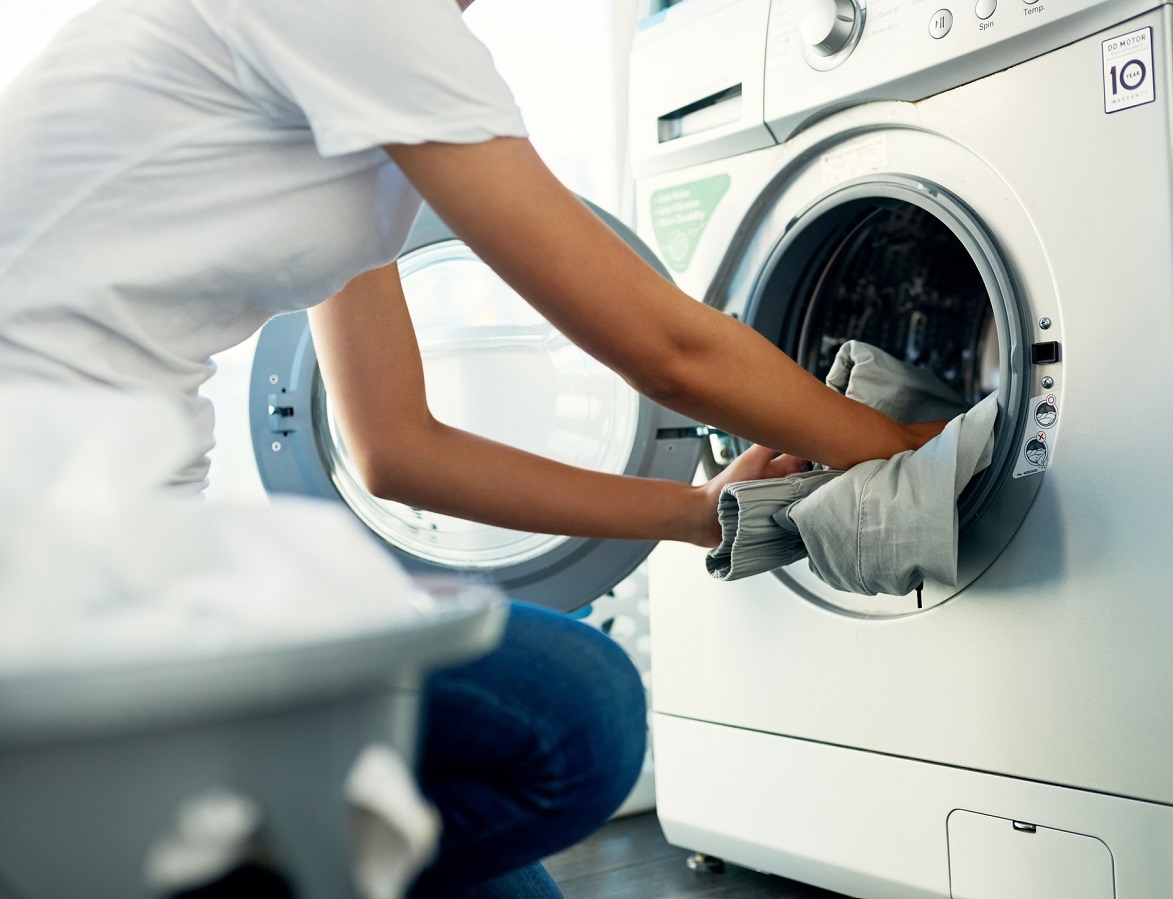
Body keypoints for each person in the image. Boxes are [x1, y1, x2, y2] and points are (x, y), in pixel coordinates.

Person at [0, 0, 941, 896]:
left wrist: (702, 515)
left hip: (105, 551)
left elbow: (397, 448)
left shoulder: (363, 81)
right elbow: (669, 351)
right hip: (44, 567)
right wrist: (908, 447)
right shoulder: (363, 20)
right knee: (576, 707)